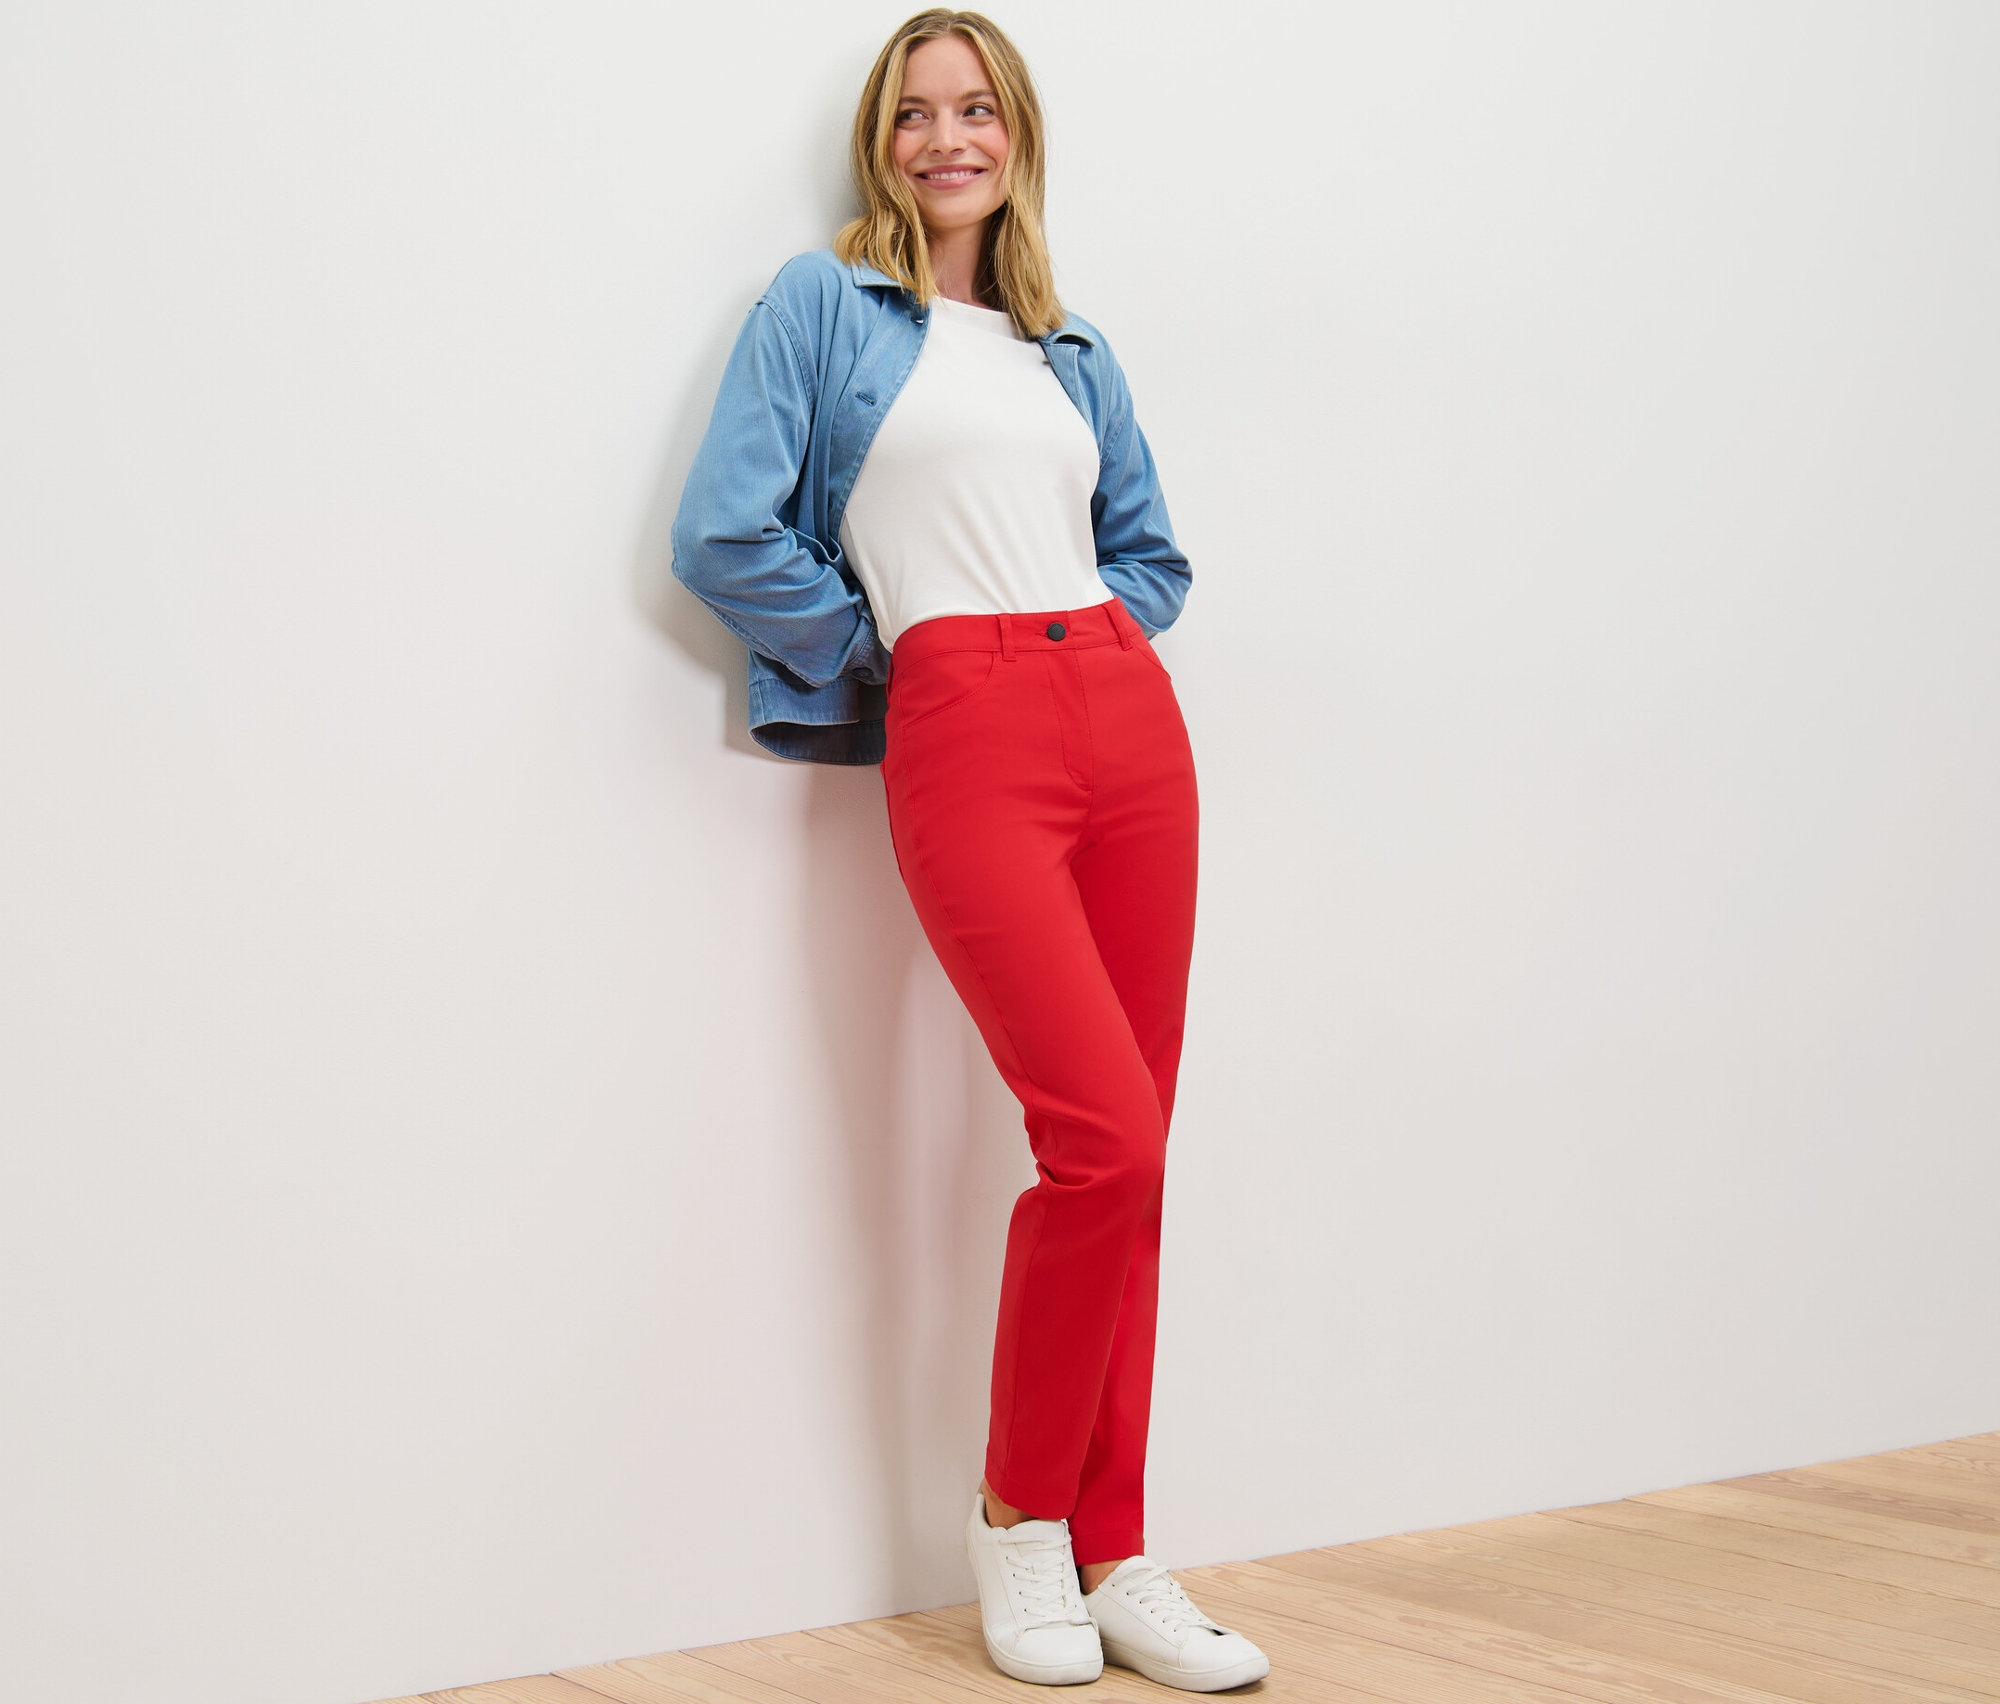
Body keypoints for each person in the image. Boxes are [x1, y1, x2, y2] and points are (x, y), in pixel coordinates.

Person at [670, 9, 1269, 1692]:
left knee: (1140, 1148)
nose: (949, 138)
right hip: (963, 721)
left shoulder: (1068, 345)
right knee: (1103, 1140)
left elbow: (1148, 549)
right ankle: (1020, 1525)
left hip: (1128, 728)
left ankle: (1119, 1547)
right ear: (883, 137)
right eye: (918, 111)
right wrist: (910, 648)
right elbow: (724, 529)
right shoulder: (822, 306)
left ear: (1017, 135)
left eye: (978, 107)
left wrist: (1091, 642)